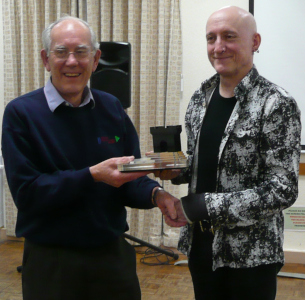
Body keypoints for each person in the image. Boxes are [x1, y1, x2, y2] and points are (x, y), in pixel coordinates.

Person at [1, 16, 186, 300]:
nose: (72, 61)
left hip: (111, 257)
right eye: (61, 52)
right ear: (46, 59)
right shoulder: (20, 114)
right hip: (51, 263)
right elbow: (27, 194)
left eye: (81, 52)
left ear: (96, 58)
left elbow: (127, 177)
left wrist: (157, 195)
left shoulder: (111, 107)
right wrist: (92, 175)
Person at [160, 6, 301, 300]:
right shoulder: (200, 97)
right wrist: (175, 170)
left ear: (255, 42)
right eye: (211, 38)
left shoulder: (276, 104)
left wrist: (206, 206)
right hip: (200, 245)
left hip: (251, 255)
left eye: (229, 36)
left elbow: (282, 189)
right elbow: (201, 162)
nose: (218, 47)